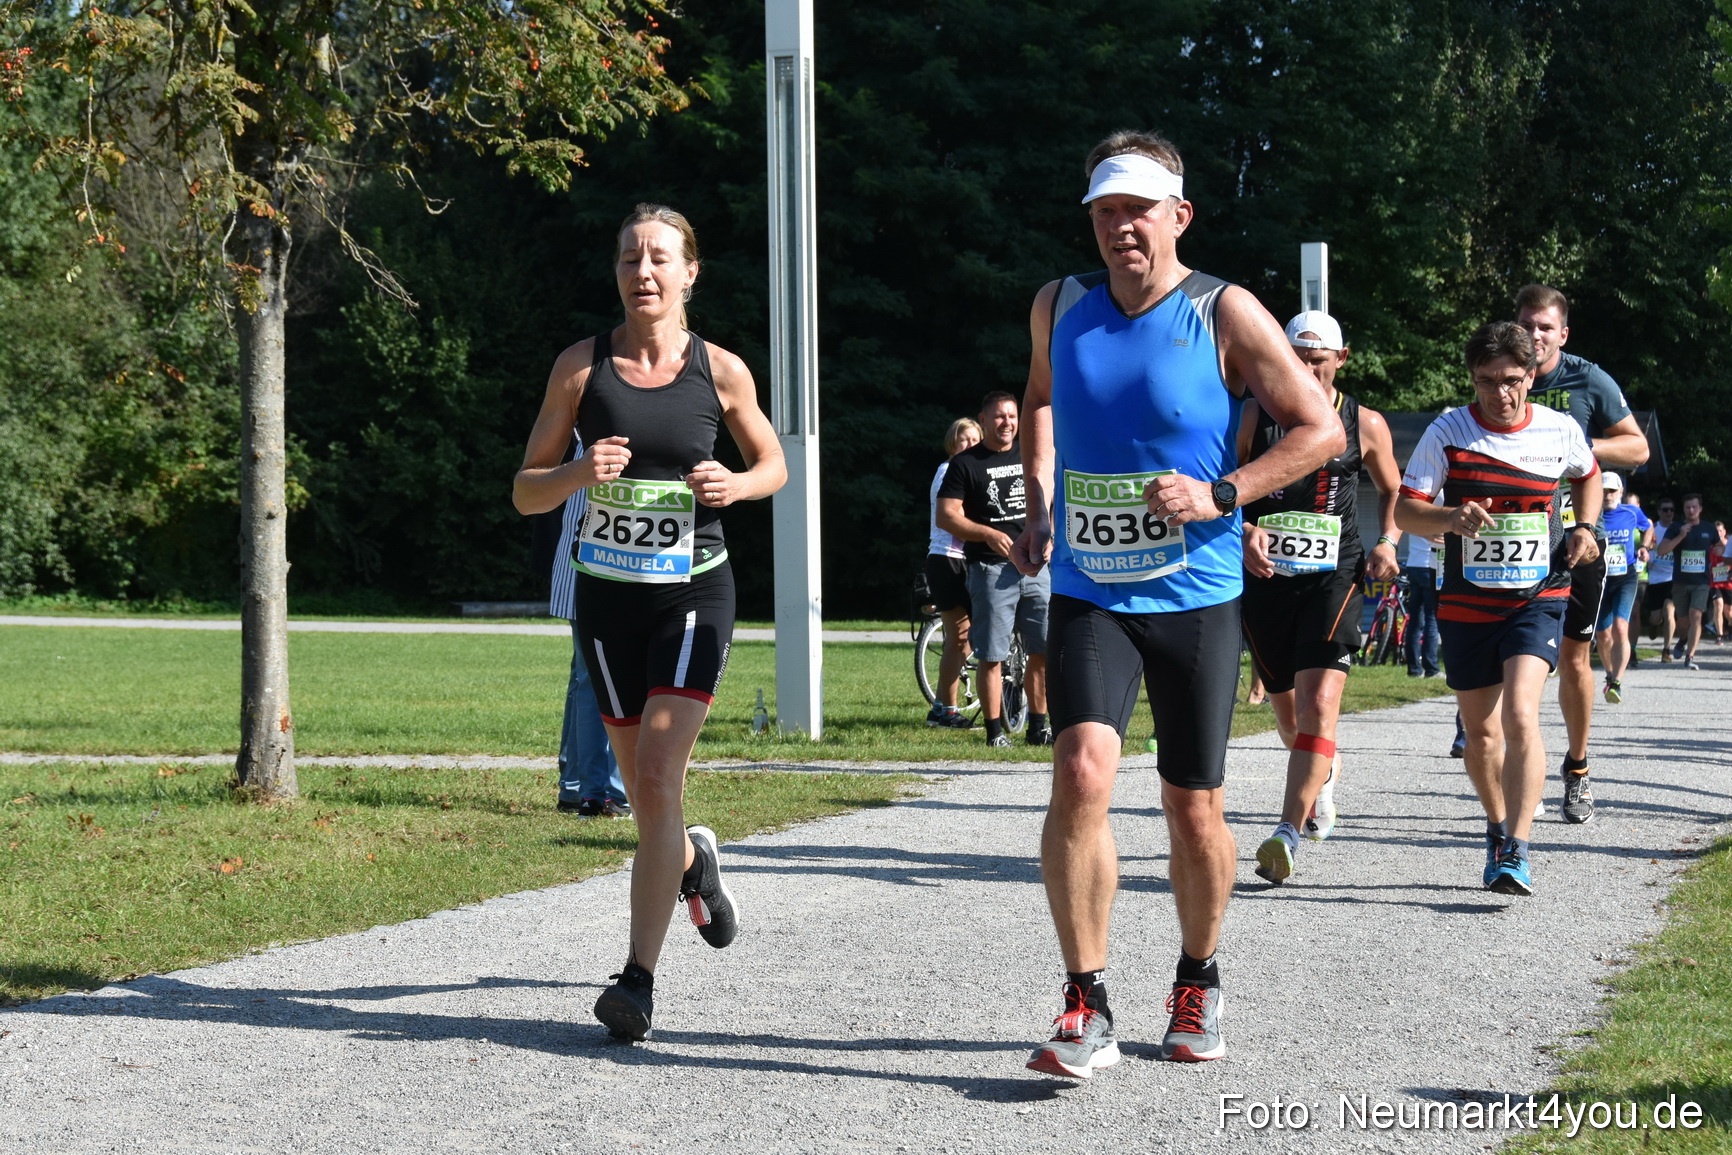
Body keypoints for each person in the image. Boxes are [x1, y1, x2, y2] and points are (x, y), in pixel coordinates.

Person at [1014, 130, 1342, 1079]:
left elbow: (1318, 429)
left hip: (1196, 592)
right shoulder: (1058, 305)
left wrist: (1224, 494)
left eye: (1139, 211)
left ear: (1178, 217)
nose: (1121, 228)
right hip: (1088, 587)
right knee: (1080, 771)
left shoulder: (1224, 310)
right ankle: (1086, 1002)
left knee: (1192, 806)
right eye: (1106, 211)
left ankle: (1197, 977)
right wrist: (1040, 500)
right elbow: (1040, 400)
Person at [512, 203, 787, 1042]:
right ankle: (694, 861)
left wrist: (733, 487)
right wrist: (575, 471)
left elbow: (773, 463)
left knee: (659, 777)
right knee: (647, 800)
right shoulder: (579, 368)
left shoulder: (721, 371)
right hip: (607, 603)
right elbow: (525, 489)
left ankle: (637, 982)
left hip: (694, 595)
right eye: (631, 257)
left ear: (689, 272)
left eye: (661, 258)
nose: (645, 272)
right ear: (617, 272)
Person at [1397, 321, 1601, 896]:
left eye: (1511, 380)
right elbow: (1407, 512)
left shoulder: (1559, 430)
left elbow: (1587, 475)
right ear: (1473, 378)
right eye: (1486, 381)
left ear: (1531, 375)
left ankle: (1517, 844)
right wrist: (1448, 519)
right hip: (1466, 600)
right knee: (1482, 735)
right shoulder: (1449, 430)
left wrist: (1584, 527)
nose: (1500, 393)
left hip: (1539, 593)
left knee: (1521, 715)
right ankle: (1494, 825)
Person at [1239, 310, 1404, 884]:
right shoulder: (1254, 415)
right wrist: (1243, 531)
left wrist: (1387, 539)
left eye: (1319, 360)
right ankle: (1322, 774)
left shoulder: (1366, 422)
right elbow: (1220, 481)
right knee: (1289, 721)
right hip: (1265, 579)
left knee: (1318, 707)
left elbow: (1393, 488)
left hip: (1336, 576)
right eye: (1298, 359)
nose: (1308, 370)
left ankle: (1286, 830)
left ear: (1341, 358)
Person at [1515, 285, 1649, 824]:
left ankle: (1577, 770)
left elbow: (1637, 447)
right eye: (1526, 324)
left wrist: (1575, 447)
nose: (1534, 335)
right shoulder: (1503, 372)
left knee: (1571, 657)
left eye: (1545, 327)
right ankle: (1513, 773)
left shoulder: (1586, 379)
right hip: (1516, 535)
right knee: (1509, 659)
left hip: (1578, 538)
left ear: (1562, 334)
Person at [936, 392, 1052, 747]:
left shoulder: (1032, 454)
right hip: (991, 570)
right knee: (992, 653)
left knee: (1043, 648)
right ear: (983, 420)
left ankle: (1038, 727)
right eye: (999, 417)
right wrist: (988, 534)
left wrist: (1050, 535)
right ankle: (995, 731)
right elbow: (946, 515)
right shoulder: (965, 464)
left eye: (1013, 417)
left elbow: (1053, 498)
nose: (1007, 423)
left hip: (1035, 568)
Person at [548, 435, 630, 817]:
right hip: (594, 569)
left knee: (585, 679)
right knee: (598, 680)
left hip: (602, 569)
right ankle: (601, 791)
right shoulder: (600, 441)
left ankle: (580, 786)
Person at [924, 417, 983, 728]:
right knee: (959, 639)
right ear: (953, 443)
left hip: (962, 559)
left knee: (966, 638)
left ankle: (944, 706)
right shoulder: (949, 471)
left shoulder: (965, 470)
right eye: (965, 440)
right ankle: (945, 709)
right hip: (948, 559)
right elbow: (957, 514)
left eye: (976, 439)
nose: (971, 445)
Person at [1592, 473, 1651, 704]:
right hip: (1600, 580)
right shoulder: (1592, 514)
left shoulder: (1631, 512)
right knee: (1603, 635)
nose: (1607, 495)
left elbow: (1649, 526)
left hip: (1626, 577)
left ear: (1620, 492)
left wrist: (1644, 547)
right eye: (1603, 491)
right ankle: (1608, 673)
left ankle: (1616, 682)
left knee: (1620, 627)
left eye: (1611, 491)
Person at [1655, 494, 1723, 670]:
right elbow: (1661, 550)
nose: (1691, 511)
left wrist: (1720, 548)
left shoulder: (1709, 528)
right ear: (1684, 509)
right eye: (1687, 507)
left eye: (1694, 507)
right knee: (1683, 622)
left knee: (1696, 615)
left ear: (1700, 508)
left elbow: (1721, 546)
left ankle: (1689, 656)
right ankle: (1683, 639)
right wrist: (1680, 536)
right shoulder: (1676, 527)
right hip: (1680, 582)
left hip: (1701, 582)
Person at [1404, 529, 1444, 679]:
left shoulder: (1414, 513)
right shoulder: (1433, 513)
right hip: (1430, 565)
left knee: (1414, 621)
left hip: (1413, 564)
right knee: (1432, 620)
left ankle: (1414, 669)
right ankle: (1431, 668)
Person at [1644, 497, 1677, 660]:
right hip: (1655, 578)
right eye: (1665, 510)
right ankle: (1654, 624)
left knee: (1669, 611)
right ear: (1659, 512)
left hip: (1673, 577)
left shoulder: (1677, 529)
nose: (1669, 513)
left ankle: (1666, 650)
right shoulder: (1653, 529)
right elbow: (1645, 546)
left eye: (1671, 510)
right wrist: (1649, 559)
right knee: (1656, 617)